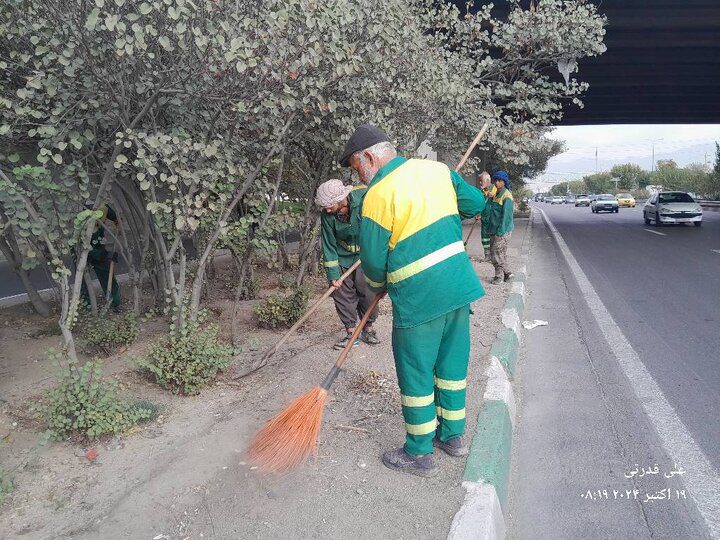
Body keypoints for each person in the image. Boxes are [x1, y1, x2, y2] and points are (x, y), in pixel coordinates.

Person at [340, 124, 486, 477]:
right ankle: (452, 437)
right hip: (458, 288)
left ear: (370, 157)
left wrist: (376, 287)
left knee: (417, 375)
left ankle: (419, 452)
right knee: (451, 369)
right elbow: (476, 204)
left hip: (419, 299)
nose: (357, 174)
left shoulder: (377, 194)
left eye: (355, 167)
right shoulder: (438, 171)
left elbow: (373, 264)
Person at [316, 179, 380, 350]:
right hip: (342, 257)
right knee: (342, 295)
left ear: (340, 199)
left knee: (368, 293)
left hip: (365, 256)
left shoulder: (364, 199)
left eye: (329, 205)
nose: (327, 210)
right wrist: (333, 275)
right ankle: (352, 333)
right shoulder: (327, 215)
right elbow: (328, 244)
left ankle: (368, 329)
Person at [81, 204, 121, 310]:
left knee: (106, 270)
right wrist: (106, 255)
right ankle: (87, 306)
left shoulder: (102, 208)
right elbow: (88, 249)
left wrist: (116, 218)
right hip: (81, 249)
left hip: (97, 242)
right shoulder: (83, 224)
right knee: (82, 277)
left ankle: (114, 302)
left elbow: (107, 209)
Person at [485, 170, 515, 284]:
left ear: (504, 182)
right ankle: (508, 273)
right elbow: (489, 209)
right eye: (496, 180)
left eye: (500, 181)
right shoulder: (495, 193)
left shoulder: (507, 196)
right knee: (500, 253)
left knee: (495, 253)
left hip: (502, 231)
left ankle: (499, 277)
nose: (497, 183)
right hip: (494, 229)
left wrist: (500, 232)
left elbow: (506, 217)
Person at [478, 171, 495, 258]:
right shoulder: (482, 191)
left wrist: (493, 195)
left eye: (482, 181)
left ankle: (493, 256)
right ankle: (487, 255)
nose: (480, 183)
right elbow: (480, 204)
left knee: (493, 238)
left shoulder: (495, 189)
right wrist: (478, 213)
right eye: (480, 181)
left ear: (488, 180)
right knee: (484, 237)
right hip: (484, 218)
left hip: (493, 219)